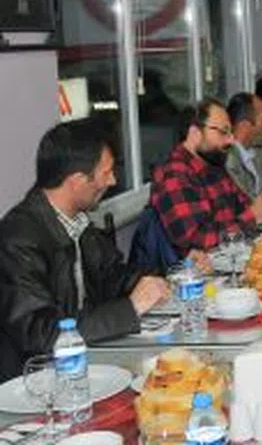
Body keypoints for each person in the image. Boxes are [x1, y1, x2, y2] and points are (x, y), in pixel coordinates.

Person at [0, 121, 171, 381]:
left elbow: (113, 276)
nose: (113, 181)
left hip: (89, 359)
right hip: (39, 378)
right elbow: (41, 335)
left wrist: (162, 278)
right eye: (107, 173)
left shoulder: (78, 223)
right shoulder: (17, 239)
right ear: (78, 181)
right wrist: (130, 308)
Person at [150, 98, 262, 254]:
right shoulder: (174, 174)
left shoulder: (213, 164)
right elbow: (196, 239)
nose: (231, 140)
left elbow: (244, 207)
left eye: (230, 132)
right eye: (223, 132)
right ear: (195, 133)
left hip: (233, 254)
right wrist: (253, 217)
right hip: (201, 266)